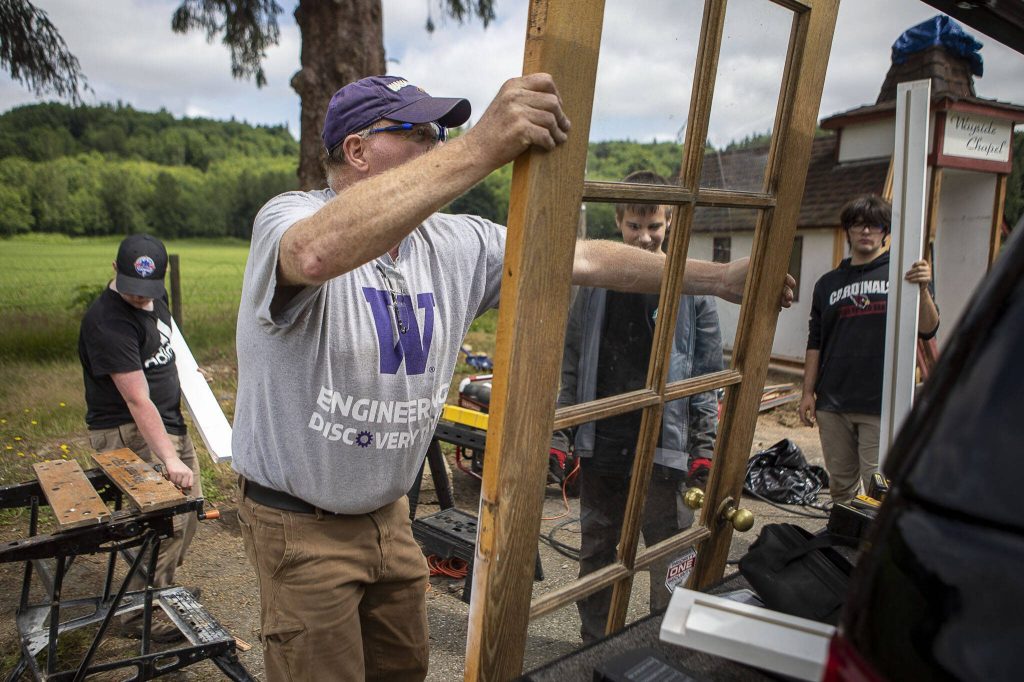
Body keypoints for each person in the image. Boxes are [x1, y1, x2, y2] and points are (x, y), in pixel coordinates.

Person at [231, 74, 791, 681]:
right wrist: (480, 146)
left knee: (403, 671)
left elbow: (583, 256)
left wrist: (718, 279)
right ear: (358, 149)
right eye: (418, 132)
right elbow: (315, 254)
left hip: (388, 516)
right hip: (301, 525)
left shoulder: (453, 241)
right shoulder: (288, 217)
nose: (437, 143)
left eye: (441, 133)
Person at [554, 170, 723, 643]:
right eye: (634, 226)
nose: (644, 237)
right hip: (602, 442)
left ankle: (663, 648)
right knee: (597, 551)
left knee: (669, 557)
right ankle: (596, 645)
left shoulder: (692, 291)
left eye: (654, 226)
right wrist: (562, 430)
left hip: (663, 449)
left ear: (670, 223)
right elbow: (572, 362)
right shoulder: (591, 287)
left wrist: (703, 445)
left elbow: (708, 377)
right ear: (618, 223)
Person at [78, 234, 200, 642]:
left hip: (166, 424)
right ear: (115, 270)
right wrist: (170, 459)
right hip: (129, 431)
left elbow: (164, 349)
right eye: (132, 289)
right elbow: (136, 398)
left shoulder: (152, 299)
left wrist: (191, 379)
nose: (139, 298)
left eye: (147, 291)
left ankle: (158, 594)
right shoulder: (107, 321)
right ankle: (137, 614)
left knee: (185, 518)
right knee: (156, 524)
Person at [799, 194, 939, 504]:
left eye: (875, 226)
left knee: (879, 489)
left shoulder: (904, 275)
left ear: (885, 232)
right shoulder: (828, 284)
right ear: (847, 230)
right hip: (833, 402)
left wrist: (923, 290)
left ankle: (873, 548)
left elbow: (928, 328)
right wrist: (808, 393)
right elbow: (815, 342)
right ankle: (845, 547)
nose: (866, 232)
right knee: (842, 488)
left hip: (881, 402)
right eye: (859, 225)